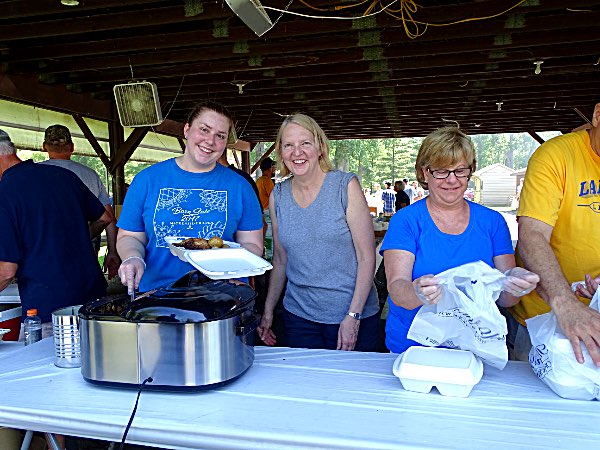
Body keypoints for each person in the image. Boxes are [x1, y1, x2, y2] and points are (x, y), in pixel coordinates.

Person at [380, 126, 539, 354]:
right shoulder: (406, 221)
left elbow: (506, 299)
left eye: (460, 170)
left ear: (470, 171)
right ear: (425, 173)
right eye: (442, 171)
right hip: (414, 348)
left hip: (476, 347)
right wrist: (417, 292)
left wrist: (516, 283)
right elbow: (397, 289)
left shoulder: (492, 222)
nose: (452, 180)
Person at [257, 114, 380, 351]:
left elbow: (367, 257)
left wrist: (353, 316)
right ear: (281, 152)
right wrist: (269, 311)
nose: (297, 152)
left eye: (305, 143)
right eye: (288, 145)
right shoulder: (278, 196)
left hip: (352, 316)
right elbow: (281, 259)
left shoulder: (345, 186)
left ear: (320, 147)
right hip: (299, 317)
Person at [116, 102, 263, 292]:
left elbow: (252, 243)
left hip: (222, 297)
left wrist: (233, 268)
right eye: (204, 130)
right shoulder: (147, 180)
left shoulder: (240, 186)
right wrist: (132, 258)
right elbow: (129, 236)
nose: (210, 141)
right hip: (157, 295)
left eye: (220, 136)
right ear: (186, 129)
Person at [509, 102, 600, 366]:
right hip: (541, 319)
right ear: (597, 115)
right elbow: (532, 235)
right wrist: (565, 302)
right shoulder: (556, 155)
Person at [0, 128, 110, 324]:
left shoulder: (5, 193)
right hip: (93, 295)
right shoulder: (62, 175)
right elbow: (104, 218)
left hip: (49, 307)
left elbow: (6, 271)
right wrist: (79, 238)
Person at [40, 124, 121, 278]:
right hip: (85, 244)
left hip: (45, 246)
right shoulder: (90, 175)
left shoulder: (32, 176)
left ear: (44, 147)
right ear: (71, 147)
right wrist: (112, 251)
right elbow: (108, 218)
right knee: (85, 289)